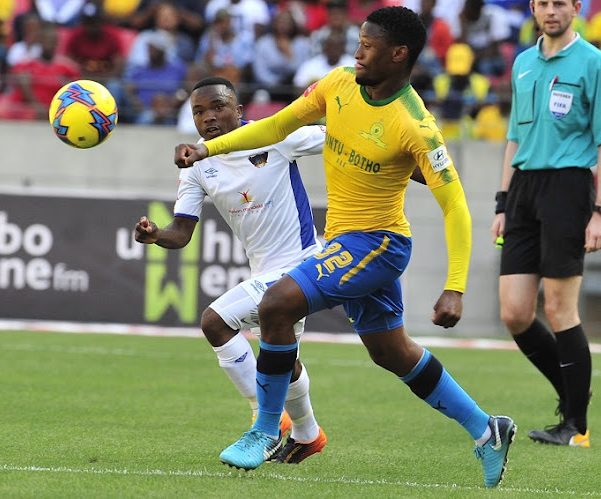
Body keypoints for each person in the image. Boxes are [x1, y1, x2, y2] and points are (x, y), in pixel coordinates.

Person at [174, 6, 516, 488]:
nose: (357, 51)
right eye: (358, 41)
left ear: (398, 55)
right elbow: (276, 127)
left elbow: (456, 207)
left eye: (368, 45)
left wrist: (455, 285)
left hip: (380, 243)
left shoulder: (415, 125)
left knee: (278, 303)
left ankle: (266, 430)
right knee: (392, 353)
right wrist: (208, 149)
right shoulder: (337, 85)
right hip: (345, 241)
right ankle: (487, 430)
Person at [135, 76, 328, 464]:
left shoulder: (273, 135)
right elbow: (181, 232)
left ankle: (264, 418)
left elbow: (338, 137)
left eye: (218, 106)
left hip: (302, 264)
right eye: (199, 111)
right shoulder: (197, 167)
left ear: (239, 111)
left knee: (215, 321)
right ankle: (309, 435)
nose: (208, 117)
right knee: (282, 360)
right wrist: (156, 236)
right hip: (264, 270)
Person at [490, 0, 601, 447]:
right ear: (533, 8)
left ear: (576, 8)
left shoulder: (594, 63)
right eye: (543, 3)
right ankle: (574, 390)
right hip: (524, 190)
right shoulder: (524, 62)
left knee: (560, 309)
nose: (551, 11)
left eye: (560, 3)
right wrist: (502, 203)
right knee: (514, 312)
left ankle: (577, 426)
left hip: (569, 189)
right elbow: (514, 136)